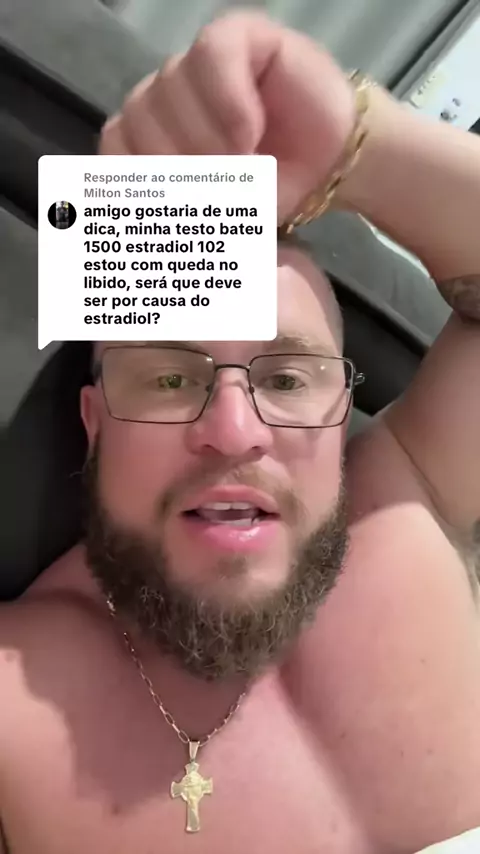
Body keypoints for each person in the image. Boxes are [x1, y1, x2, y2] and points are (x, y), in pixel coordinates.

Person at [1, 9, 479, 854]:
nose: (232, 431)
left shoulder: (410, 496)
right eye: (171, 380)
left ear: (342, 414)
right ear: (93, 425)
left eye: (287, 379)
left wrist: (358, 145)